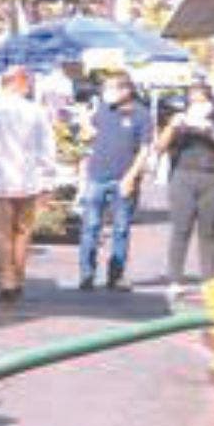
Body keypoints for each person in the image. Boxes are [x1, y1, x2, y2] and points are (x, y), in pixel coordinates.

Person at [0, 65, 60, 302]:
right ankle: (18, 277)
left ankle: (6, 280)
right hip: (28, 179)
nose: (30, 87)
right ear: (18, 82)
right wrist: (48, 180)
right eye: (28, 82)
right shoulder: (34, 111)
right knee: (22, 231)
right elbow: (46, 148)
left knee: (1, 232)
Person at [74, 74, 154, 291]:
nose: (106, 93)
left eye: (111, 88)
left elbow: (145, 149)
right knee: (91, 227)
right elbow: (88, 136)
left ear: (126, 90)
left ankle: (116, 275)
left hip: (123, 178)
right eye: (105, 89)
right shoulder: (101, 110)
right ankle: (87, 274)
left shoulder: (141, 115)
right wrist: (84, 120)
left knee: (121, 228)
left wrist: (131, 177)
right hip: (97, 176)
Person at [158, 82, 214, 299]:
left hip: (212, 177)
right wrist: (173, 126)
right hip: (183, 176)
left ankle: (208, 280)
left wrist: (212, 131)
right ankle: (175, 280)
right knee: (181, 229)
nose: (198, 106)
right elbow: (160, 146)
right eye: (193, 101)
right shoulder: (179, 122)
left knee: (209, 231)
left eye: (203, 101)